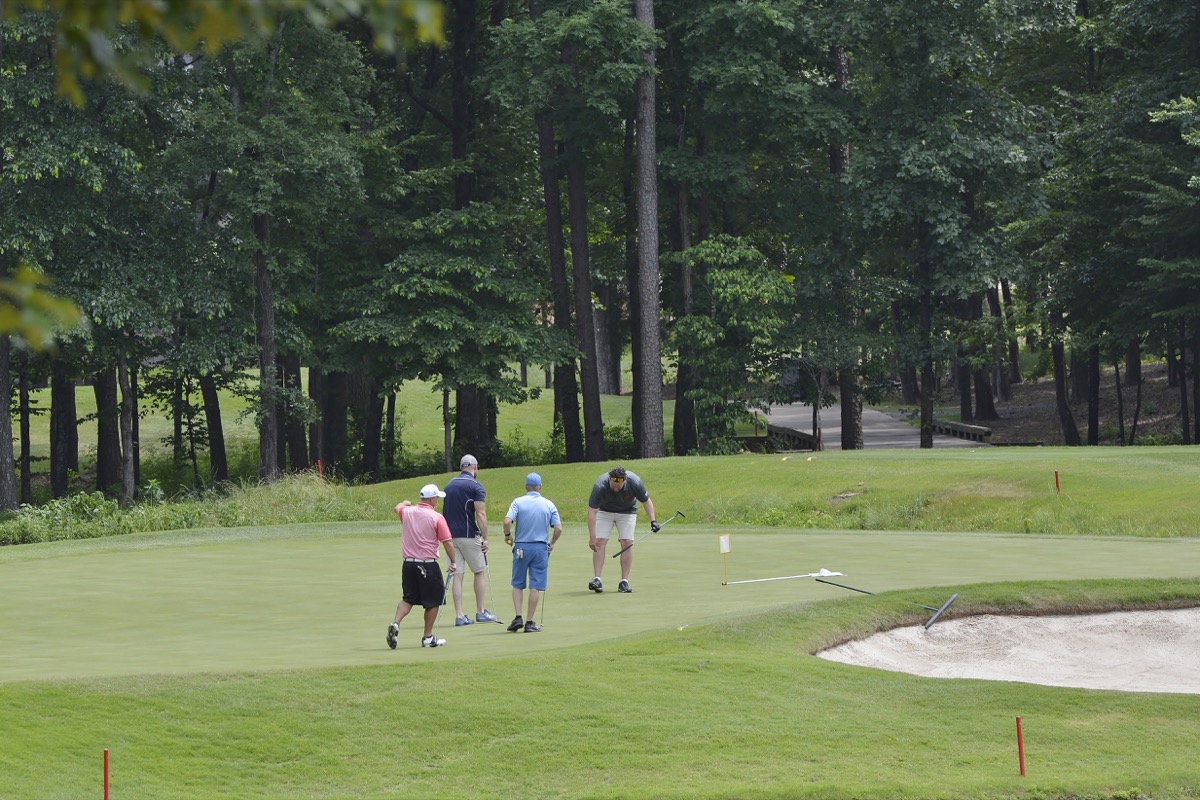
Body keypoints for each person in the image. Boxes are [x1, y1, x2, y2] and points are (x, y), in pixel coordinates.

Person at [387, 483, 458, 649]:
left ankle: (395, 623)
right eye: (437, 498)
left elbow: (398, 507)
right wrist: (454, 561)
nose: (437, 501)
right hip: (427, 565)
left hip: (408, 564)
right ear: (432, 499)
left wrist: (405, 502)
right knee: (433, 601)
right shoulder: (436, 517)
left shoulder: (407, 512)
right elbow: (447, 542)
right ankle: (427, 637)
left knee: (408, 599)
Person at [442, 454, 499, 626]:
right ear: (475, 467)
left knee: (457, 575)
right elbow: (480, 514)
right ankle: (481, 612)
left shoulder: (449, 485)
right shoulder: (476, 486)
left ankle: (459, 616)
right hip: (469, 535)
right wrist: (486, 538)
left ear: (461, 468)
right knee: (479, 571)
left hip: (450, 537)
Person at [502, 472, 562, 633]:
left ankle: (518, 617)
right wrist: (552, 543)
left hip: (521, 547)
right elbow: (558, 528)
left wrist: (508, 535)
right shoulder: (549, 504)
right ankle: (529, 622)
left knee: (517, 583)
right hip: (540, 548)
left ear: (526, 486)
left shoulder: (518, 502)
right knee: (535, 585)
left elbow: (507, 522)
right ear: (540, 487)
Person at [586, 465, 658, 594]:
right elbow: (592, 511)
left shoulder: (635, 482)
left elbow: (646, 501)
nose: (615, 489)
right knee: (599, 541)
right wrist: (592, 537)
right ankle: (597, 579)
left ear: (624, 481)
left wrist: (653, 521)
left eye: (618, 487)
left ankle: (624, 582)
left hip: (627, 512)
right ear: (609, 479)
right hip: (604, 511)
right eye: (613, 486)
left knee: (627, 542)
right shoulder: (600, 484)